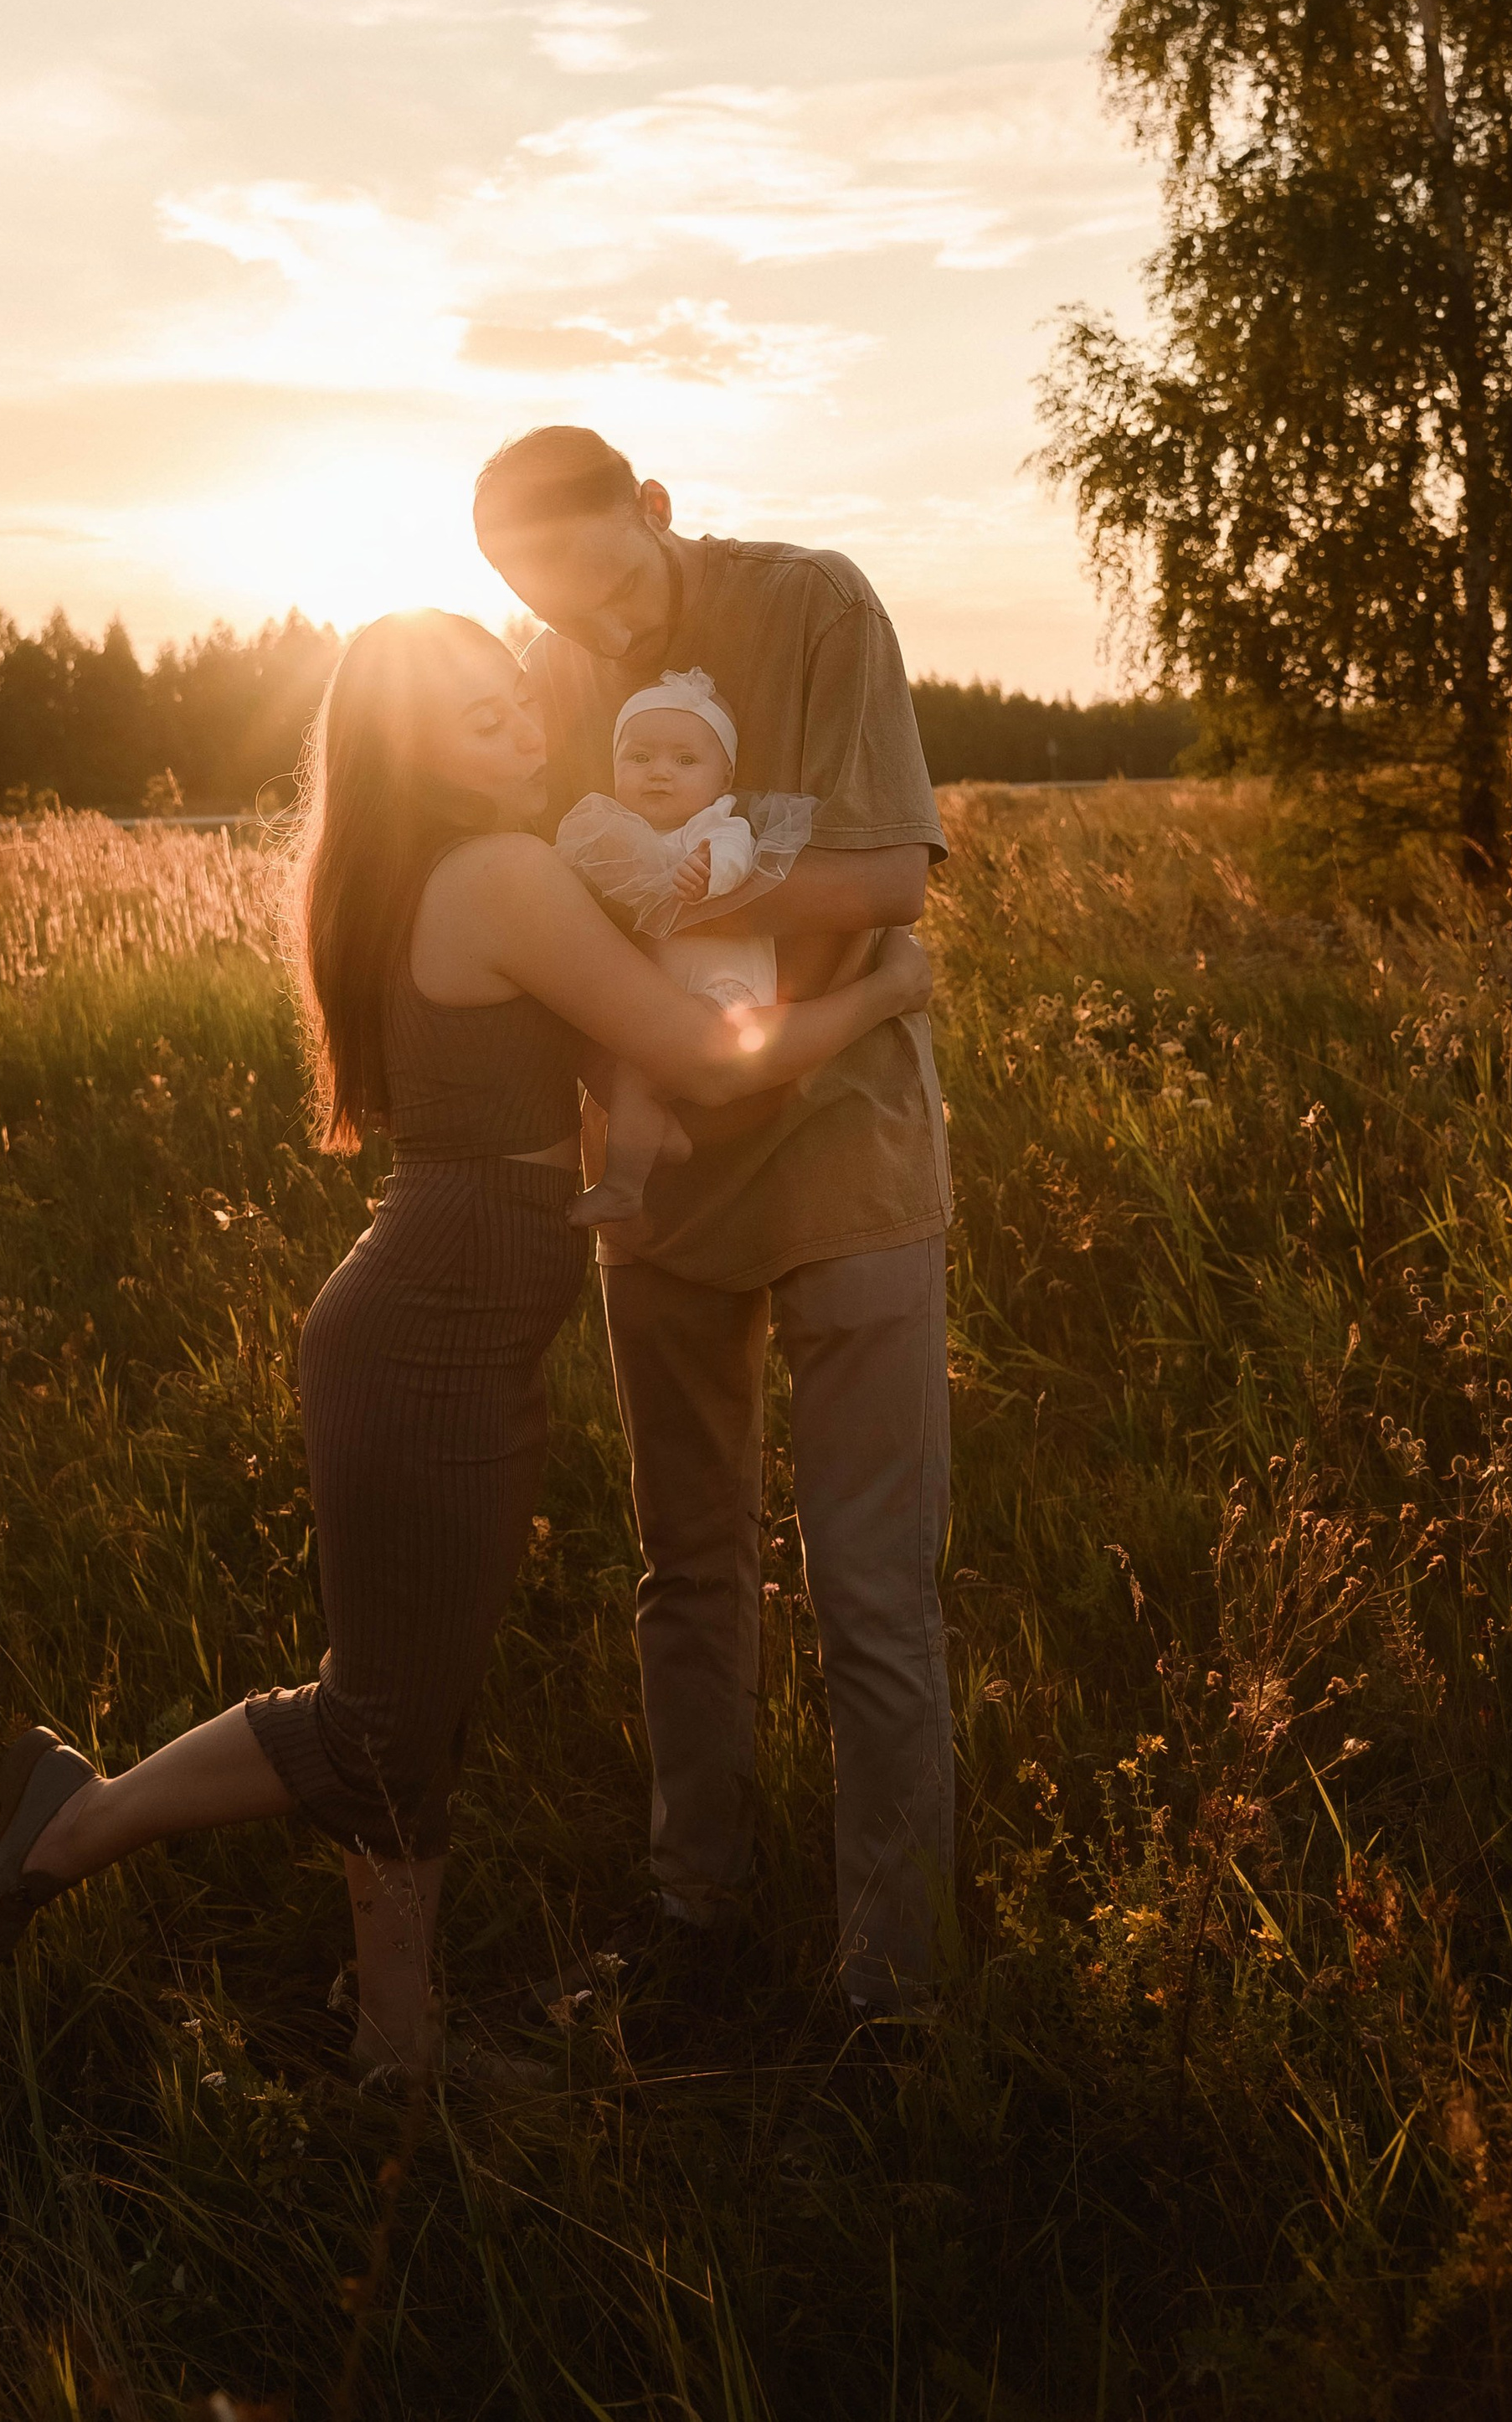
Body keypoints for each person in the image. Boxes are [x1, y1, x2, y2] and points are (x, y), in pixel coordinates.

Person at [0, 607, 933, 2086]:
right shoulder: (502, 874)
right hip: (428, 1341)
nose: (524, 730)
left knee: (408, 1704)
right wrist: (885, 989)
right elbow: (696, 1050)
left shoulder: (441, 866)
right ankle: (78, 1824)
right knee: (383, 1714)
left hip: (445, 1329)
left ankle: (395, 2041)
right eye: (477, 717)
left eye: (516, 701)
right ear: (409, 747)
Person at [472, 427, 954, 2017]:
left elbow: (891, 874)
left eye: (606, 580)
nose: (593, 632)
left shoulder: (817, 606)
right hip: (658, 1163)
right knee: (685, 1568)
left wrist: (665, 887)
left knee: (869, 1590)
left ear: (656, 509)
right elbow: (543, 897)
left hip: (849, 1155)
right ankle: (696, 1913)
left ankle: (891, 1986)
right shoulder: (547, 670)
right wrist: (705, 889)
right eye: (549, 602)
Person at [554, 666, 816, 1234]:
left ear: (724, 777)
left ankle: (623, 1186)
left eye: (684, 761)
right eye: (640, 758)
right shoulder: (620, 831)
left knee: (643, 1069)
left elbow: (737, 859)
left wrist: (706, 874)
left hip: (724, 992)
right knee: (619, 1060)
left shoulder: (717, 826)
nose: (659, 774)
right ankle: (658, 1135)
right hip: (661, 991)